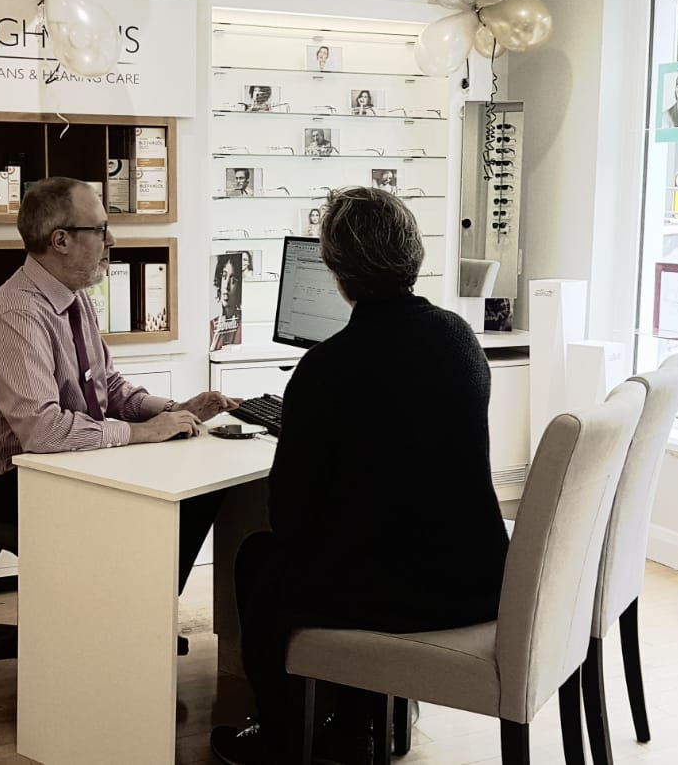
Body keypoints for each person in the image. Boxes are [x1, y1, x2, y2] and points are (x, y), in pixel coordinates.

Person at [210, 187, 509, 765]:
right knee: (351, 544)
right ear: (414, 253)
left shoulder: (327, 369)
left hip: (401, 596)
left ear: (336, 269)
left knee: (260, 560)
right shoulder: (459, 338)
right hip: (478, 576)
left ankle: (281, 734)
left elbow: (289, 518)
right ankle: (353, 720)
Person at [0, 177, 242, 623]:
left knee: (199, 488)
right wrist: (143, 434)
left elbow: (105, 387)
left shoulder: (74, 296)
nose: (112, 241)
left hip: (58, 460)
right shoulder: (17, 314)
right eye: (101, 229)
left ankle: (136, 617)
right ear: (61, 240)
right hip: (7, 477)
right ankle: (124, 622)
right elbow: (42, 431)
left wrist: (172, 411)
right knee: (162, 497)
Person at [209, 252, 242, 351]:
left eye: (233, 280)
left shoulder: (242, 325)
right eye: (224, 276)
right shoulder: (210, 326)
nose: (226, 286)